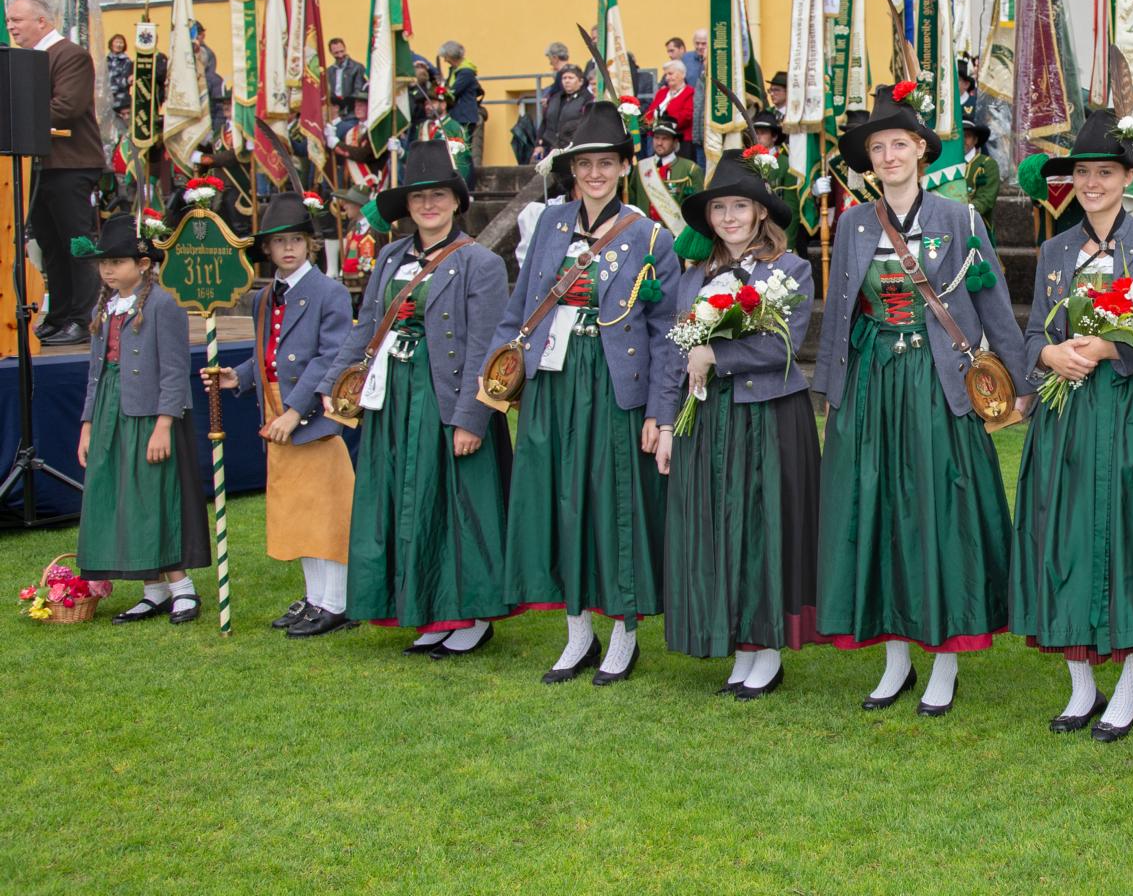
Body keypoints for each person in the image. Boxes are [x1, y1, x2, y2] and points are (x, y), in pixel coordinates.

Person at [813, 83, 1029, 716]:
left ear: (921, 151)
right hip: (874, 382)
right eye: (877, 148)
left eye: (898, 144)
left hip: (938, 385)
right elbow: (838, 318)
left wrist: (1016, 389)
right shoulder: (853, 223)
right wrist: (833, 391)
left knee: (936, 513)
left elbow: (993, 305)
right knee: (875, 511)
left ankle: (943, 660)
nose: (887, 156)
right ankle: (895, 658)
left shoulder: (959, 219)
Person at [1014, 111, 1133, 742]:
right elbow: (1035, 329)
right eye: (1083, 172)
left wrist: (1113, 349)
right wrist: (1049, 356)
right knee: (1062, 541)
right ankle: (1081, 687)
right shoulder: (1055, 250)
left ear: (1127, 177)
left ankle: (1128, 688)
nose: (1092, 183)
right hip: (1066, 417)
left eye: (1105, 172)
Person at [495, 103, 676, 684]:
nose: (595, 174)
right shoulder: (547, 226)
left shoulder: (651, 236)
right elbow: (522, 307)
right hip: (553, 383)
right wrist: (502, 371)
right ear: (572, 171)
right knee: (558, 501)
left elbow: (667, 333)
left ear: (624, 167)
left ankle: (623, 634)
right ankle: (577, 633)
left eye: (606, 163)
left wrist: (659, 412)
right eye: (585, 165)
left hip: (613, 385)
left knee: (613, 505)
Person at [318, 140, 512, 658]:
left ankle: (468, 617)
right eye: (419, 197)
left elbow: (484, 347)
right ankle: (424, 606)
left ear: (455, 201)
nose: (429, 205)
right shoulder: (389, 257)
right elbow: (366, 330)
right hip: (393, 398)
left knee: (454, 509)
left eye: (439, 196)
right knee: (403, 503)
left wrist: (471, 419)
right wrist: (334, 386)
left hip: (444, 398)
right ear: (407, 206)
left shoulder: (480, 264)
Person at [652, 152, 821, 697]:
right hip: (706, 418)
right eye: (720, 208)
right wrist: (666, 421)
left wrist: (717, 357)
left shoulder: (789, 269)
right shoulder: (692, 276)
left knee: (761, 527)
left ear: (758, 213)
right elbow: (671, 351)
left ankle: (766, 649)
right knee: (719, 526)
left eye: (739, 207)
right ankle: (734, 639)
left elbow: (785, 343)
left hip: (768, 415)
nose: (729, 217)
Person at [211, 192, 358, 637]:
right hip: (276, 407)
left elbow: (328, 359)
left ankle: (338, 602)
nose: (288, 248)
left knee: (327, 510)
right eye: (279, 242)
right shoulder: (264, 297)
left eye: (297, 239)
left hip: (313, 414)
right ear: (268, 251)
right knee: (298, 511)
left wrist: (295, 412)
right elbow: (268, 354)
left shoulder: (328, 291)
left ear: (310, 245)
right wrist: (239, 377)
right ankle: (314, 598)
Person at [73, 217, 209, 624]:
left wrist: (164, 424)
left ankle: (182, 588)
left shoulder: (163, 305)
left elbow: (173, 369)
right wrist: (88, 424)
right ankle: (153, 589)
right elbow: (95, 373)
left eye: (117, 262)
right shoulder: (105, 306)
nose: (109, 270)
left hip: (150, 415)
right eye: (103, 264)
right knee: (122, 498)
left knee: (154, 497)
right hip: (110, 411)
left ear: (144, 263)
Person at [6, 0, 103, 347]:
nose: (11, 27)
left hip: (71, 165)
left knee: (75, 243)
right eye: (9, 21)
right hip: (40, 166)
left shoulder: (69, 55)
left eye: (17, 20)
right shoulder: (27, 60)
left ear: (42, 22)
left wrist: (12, 122)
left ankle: (84, 317)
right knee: (51, 246)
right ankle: (60, 316)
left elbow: (67, 107)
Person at [634, 114, 702, 233]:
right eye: (657, 138)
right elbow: (632, 199)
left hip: (675, 234)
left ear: (675, 142)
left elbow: (696, 208)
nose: (659, 143)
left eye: (665, 138)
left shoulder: (690, 169)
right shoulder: (640, 167)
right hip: (643, 232)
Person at [748, 108, 804, 248]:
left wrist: (787, 243)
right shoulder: (746, 163)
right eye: (756, 132)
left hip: (776, 234)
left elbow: (791, 208)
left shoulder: (786, 164)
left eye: (763, 133)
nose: (758, 136)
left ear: (774, 137)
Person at [533, 64, 594, 163]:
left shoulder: (588, 99)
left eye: (571, 78)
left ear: (580, 81)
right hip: (549, 149)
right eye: (564, 78)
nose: (567, 81)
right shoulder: (554, 98)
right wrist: (538, 144)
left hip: (572, 149)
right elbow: (544, 122)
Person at [415, 81, 472, 183]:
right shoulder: (422, 127)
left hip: (446, 182)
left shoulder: (454, 128)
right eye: (426, 104)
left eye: (431, 103)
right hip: (424, 180)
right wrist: (400, 152)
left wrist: (457, 184)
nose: (427, 107)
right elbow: (415, 156)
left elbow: (462, 161)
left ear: (443, 105)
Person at [439, 40, 484, 165]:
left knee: (462, 150)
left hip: (464, 117)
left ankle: (467, 177)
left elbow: (453, 92)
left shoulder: (465, 72)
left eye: (445, 57)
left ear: (451, 56)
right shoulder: (456, 71)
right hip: (459, 115)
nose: (445, 60)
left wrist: (442, 91)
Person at [647, 60, 696, 159]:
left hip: (681, 141)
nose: (667, 78)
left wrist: (664, 123)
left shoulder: (690, 92)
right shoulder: (662, 92)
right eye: (666, 75)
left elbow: (686, 116)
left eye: (670, 74)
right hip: (657, 137)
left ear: (682, 74)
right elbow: (650, 112)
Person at [963, 117, 999, 233]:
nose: (962, 140)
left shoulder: (988, 164)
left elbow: (986, 200)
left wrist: (960, 212)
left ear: (975, 140)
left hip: (977, 227)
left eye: (967, 136)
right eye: (959, 136)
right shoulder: (946, 165)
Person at [326, 37, 368, 108]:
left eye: (342, 51)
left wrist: (344, 103)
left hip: (352, 111)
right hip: (334, 111)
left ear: (345, 49)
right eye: (336, 53)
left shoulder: (357, 67)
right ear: (331, 53)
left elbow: (358, 91)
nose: (340, 55)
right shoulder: (329, 71)